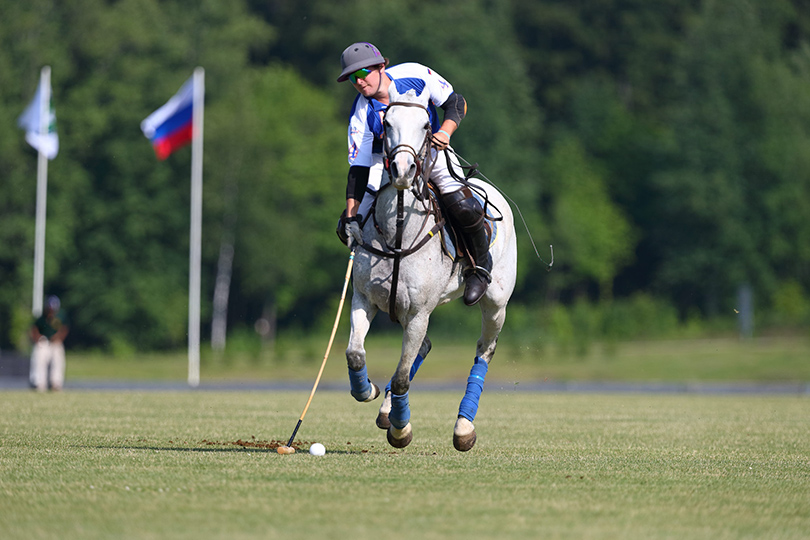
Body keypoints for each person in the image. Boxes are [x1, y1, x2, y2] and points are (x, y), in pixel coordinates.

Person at [336, 42, 492, 306]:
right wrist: (352, 215)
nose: (359, 82)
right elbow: (359, 169)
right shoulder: (361, 112)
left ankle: (479, 268)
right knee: (348, 226)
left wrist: (445, 132)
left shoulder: (415, 74)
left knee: (462, 206)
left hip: (428, 149)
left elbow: (456, 102)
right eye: (352, 78)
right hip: (382, 161)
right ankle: (393, 296)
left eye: (363, 74)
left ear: (381, 66)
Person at [29, 295, 69, 391]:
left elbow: (64, 329)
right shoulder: (42, 317)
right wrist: (37, 338)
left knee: (58, 358)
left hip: (56, 342)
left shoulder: (60, 316)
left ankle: (56, 383)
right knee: (39, 356)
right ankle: (39, 383)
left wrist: (59, 337)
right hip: (44, 341)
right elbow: (34, 329)